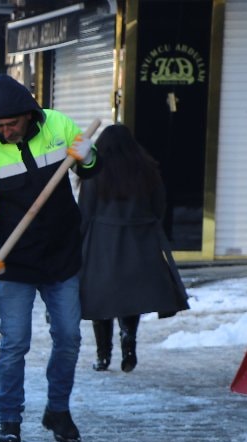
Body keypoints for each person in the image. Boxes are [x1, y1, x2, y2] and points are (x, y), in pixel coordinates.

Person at [0, 73, 99, 442]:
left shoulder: (58, 126)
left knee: (69, 336)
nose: (6, 132)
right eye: (0, 127)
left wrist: (87, 158)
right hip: (14, 261)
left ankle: (58, 410)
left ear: (29, 115)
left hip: (61, 254)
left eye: (13, 124)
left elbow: (92, 169)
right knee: (15, 342)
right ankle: (9, 420)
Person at [78, 124, 188, 373]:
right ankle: (129, 343)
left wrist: (77, 241)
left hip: (102, 241)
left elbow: (85, 210)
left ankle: (102, 355)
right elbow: (159, 206)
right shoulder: (147, 170)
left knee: (101, 298)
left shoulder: (96, 172)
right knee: (131, 296)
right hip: (139, 239)